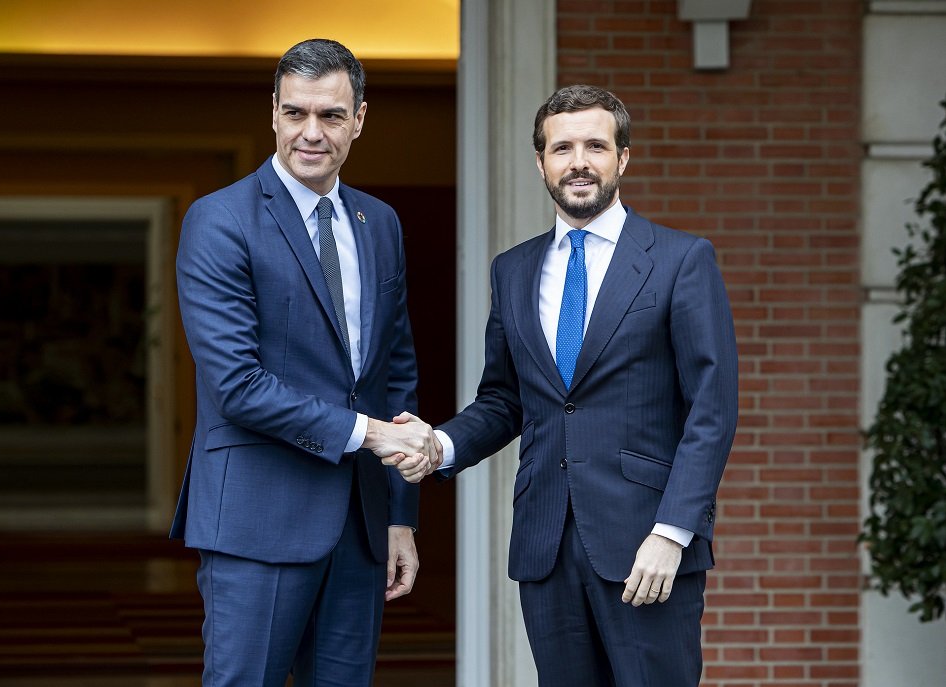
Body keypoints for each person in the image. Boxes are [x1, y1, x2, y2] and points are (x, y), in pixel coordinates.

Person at [390, 85, 738, 685]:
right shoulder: (513, 270)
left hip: (647, 546)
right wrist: (439, 445)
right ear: (540, 162)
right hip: (545, 543)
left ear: (622, 158)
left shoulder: (680, 260)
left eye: (595, 146)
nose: (579, 162)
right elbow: (505, 399)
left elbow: (712, 408)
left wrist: (673, 532)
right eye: (562, 148)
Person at [170, 38, 439, 687]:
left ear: (359, 119)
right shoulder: (220, 220)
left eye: (330, 115)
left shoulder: (379, 222)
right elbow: (237, 386)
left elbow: (394, 373)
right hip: (256, 521)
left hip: (361, 526)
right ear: (273, 112)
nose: (311, 133)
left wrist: (399, 515)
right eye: (295, 113)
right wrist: (371, 434)